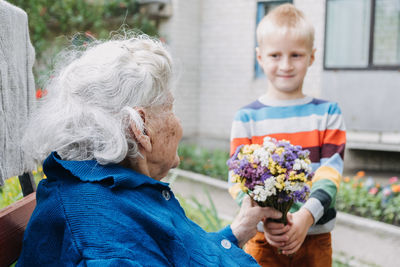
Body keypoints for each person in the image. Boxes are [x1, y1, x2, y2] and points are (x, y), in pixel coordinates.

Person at [16, 34, 283, 266]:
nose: (179, 124)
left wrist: (238, 230)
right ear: (140, 128)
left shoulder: (112, 191)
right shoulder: (102, 237)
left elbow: (175, 252)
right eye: (170, 109)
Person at [228, 4, 346, 267]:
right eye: (275, 55)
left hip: (315, 237)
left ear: (312, 57)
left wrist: (305, 217)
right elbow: (237, 181)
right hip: (262, 238)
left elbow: (330, 174)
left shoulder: (328, 113)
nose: (285, 65)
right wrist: (266, 220)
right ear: (259, 57)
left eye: (296, 55)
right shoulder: (246, 118)